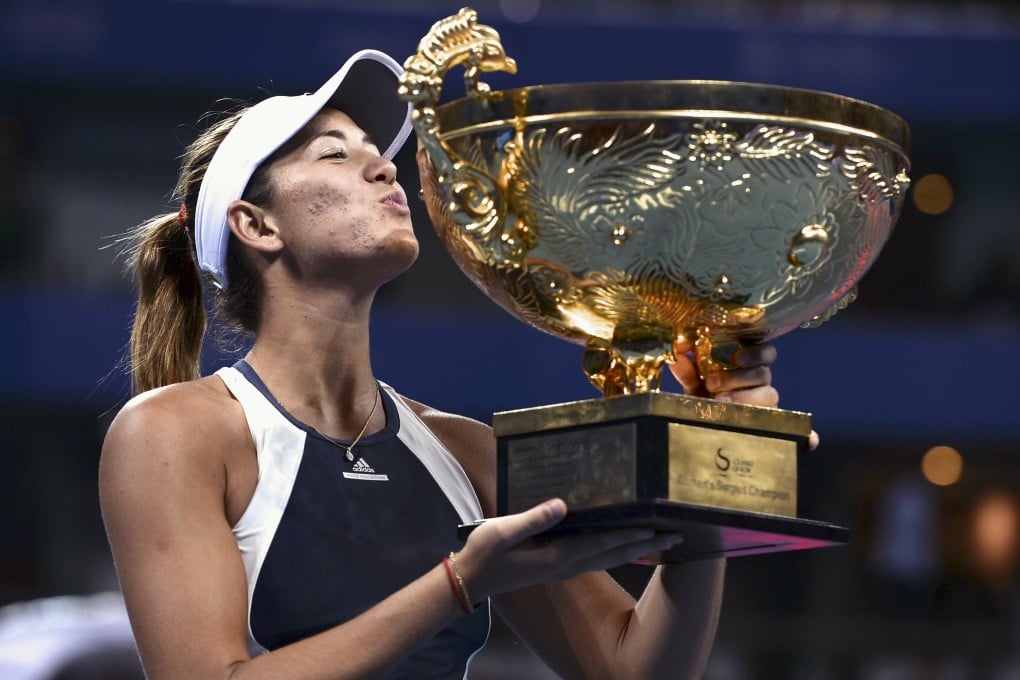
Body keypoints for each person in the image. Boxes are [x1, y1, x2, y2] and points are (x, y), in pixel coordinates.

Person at [98, 48, 785, 680]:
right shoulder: (171, 433)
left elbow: (632, 669)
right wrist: (457, 585)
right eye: (335, 154)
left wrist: (707, 463)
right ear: (257, 225)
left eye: (377, 152)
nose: (384, 167)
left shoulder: (466, 451)